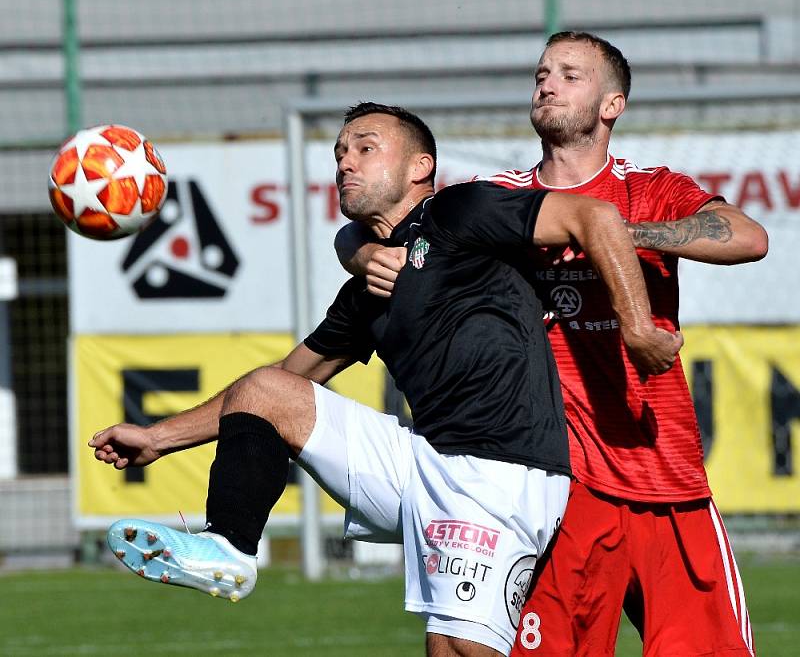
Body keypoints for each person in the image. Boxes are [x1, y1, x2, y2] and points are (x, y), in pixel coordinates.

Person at [90, 102, 680, 657]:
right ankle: (231, 546)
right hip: (421, 461)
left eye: (366, 148)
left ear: (421, 167)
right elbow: (282, 385)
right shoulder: (368, 286)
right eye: (340, 151)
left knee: (455, 650)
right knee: (266, 388)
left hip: (500, 471)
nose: (345, 160)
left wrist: (637, 327)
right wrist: (159, 438)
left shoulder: (462, 212)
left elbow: (595, 215)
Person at [335, 37, 768, 657]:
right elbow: (383, 220)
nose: (547, 83)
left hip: (667, 477)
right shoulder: (503, 199)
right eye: (542, 73)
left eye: (570, 74)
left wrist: (615, 234)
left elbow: (749, 237)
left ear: (611, 103)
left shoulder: (651, 188)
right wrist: (358, 251)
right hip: (564, 486)